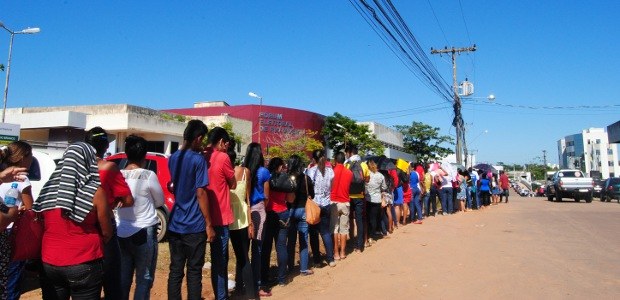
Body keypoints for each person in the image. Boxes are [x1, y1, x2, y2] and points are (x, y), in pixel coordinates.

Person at [34, 142, 113, 299]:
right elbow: (107, 232)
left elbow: (40, 222)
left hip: (49, 261)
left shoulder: (48, 189)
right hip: (84, 261)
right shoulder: (96, 192)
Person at [85, 126, 134, 300]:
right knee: (111, 276)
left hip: (81, 224)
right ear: (106, 147)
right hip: (105, 223)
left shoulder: (78, 167)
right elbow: (128, 200)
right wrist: (112, 202)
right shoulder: (109, 167)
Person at [167, 120, 214, 300]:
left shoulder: (173, 158)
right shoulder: (198, 160)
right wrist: (209, 223)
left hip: (175, 223)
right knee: (194, 271)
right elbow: (201, 193)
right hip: (194, 225)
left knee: (175, 270)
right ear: (198, 138)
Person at [117, 135, 165, 300]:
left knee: (123, 278)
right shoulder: (148, 175)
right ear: (144, 154)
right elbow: (160, 200)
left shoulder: (118, 174)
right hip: (144, 231)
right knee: (144, 279)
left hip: (121, 230)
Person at [204, 126, 237, 300]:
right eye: (227, 144)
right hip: (221, 215)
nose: (227, 148)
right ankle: (221, 297)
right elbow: (233, 184)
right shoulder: (223, 157)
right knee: (220, 262)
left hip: (203, 215)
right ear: (222, 142)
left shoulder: (202, 155)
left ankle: (220, 294)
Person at [0, 141, 34, 299]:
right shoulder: (22, 180)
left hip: (5, 230)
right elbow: (30, 209)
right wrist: (15, 212)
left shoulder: (3, 175)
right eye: (30, 155)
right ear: (22, 158)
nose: (32, 159)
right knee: (12, 278)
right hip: (11, 233)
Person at [241, 142, 271, 297]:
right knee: (257, 249)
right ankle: (258, 284)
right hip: (258, 209)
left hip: (244, 210)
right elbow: (266, 196)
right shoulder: (264, 172)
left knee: (243, 249)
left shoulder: (243, 171)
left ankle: (243, 283)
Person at [226, 141, 255, 299]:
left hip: (229, 217)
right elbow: (248, 199)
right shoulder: (246, 172)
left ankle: (242, 291)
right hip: (243, 217)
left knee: (236, 257)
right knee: (243, 256)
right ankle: (247, 291)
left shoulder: (224, 173)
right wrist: (250, 222)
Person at [260, 157, 289, 287]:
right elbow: (291, 198)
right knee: (281, 246)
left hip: (269, 213)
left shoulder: (267, 177)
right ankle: (282, 278)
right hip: (283, 213)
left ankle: (264, 278)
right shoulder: (285, 178)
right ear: (280, 167)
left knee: (266, 247)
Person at [306, 149, 336, 267]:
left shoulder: (310, 171)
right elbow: (331, 187)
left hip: (315, 205)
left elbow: (308, 188)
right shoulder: (330, 171)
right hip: (326, 203)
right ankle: (330, 259)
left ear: (314, 159)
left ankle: (317, 261)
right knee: (325, 232)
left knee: (313, 233)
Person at [286, 154, 314, 276]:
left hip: (290, 210)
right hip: (303, 210)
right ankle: (303, 269)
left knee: (290, 241)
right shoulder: (306, 179)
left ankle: (290, 267)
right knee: (303, 241)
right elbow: (312, 194)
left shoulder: (287, 178)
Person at [344, 145, 369, 253]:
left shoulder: (346, 164)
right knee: (359, 220)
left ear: (350, 153)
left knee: (349, 220)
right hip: (360, 196)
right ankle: (360, 246)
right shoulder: (363, 164)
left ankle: (351, 242)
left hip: (348, 196)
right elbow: (367, 179)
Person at [331, 152, 352, 261]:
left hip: (334, 201)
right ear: (344, 160)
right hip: (345, 202)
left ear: (335, 159)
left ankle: (336, 253)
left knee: (334, 228)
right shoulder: (349, 173)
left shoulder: (331, 172)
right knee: (344, 229)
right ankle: (343, 252)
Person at [365, 159, 386, 245]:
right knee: (374, 218)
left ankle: (366, 236)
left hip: (367, 198)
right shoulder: (381, 176)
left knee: (367, 218)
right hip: (377, 199)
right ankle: (371, 236)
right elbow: (384, 187)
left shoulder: (367, 175)